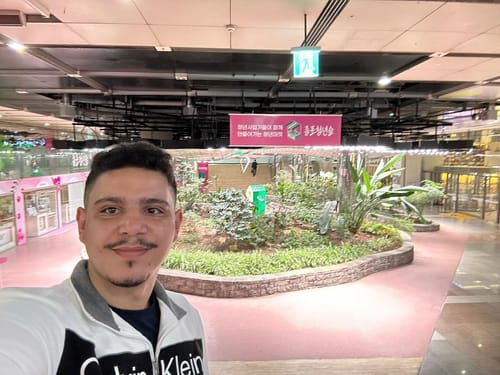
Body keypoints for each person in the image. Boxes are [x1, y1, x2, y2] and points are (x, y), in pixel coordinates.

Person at [0, 141, 209, 374]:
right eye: (110, 210)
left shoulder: (186, 317)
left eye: (153, 210)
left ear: (176, 225)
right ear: (83, 224)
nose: (131, 228)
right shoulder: (35, 322)